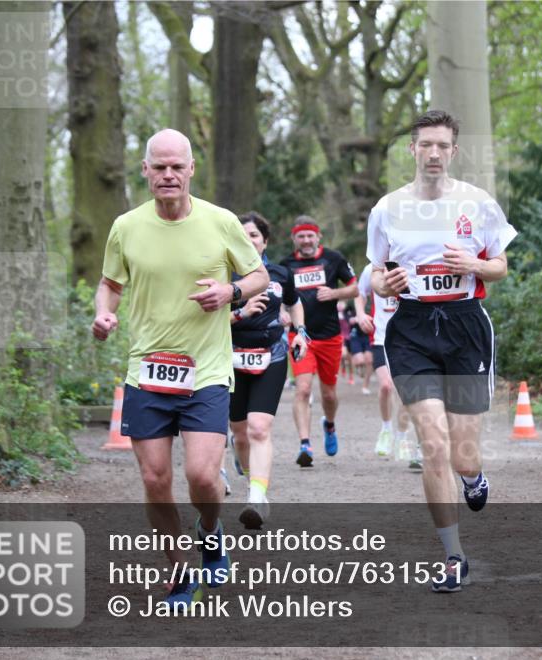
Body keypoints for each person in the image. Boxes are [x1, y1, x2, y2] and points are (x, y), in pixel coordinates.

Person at [91, 128, 268, 611]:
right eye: (159, 167)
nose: (168, 175)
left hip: (207, 369)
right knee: (154, 480)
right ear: (145, 170)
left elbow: (259, 275)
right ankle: (178, 572)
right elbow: (109, 283)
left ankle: (210, 533)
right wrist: (103, 312)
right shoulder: (126, 226)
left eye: (177, 167)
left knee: (203, 477)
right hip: (147, 370)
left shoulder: (221, 221)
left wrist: (230, 292)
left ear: (192, 169)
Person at [366, 110, 517, 593]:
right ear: (412, 150)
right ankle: (454, 557)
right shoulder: (387, 208)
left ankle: (472, 479)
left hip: (465, 326)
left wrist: (475, 263)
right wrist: (383, 282)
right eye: (424, 144)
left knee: (464, 455)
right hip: (410, 327)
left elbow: (501, 266)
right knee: (432, 444)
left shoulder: (478, 203)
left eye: (442, 146)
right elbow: (372, 271)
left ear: (454, 151)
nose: (433, 153)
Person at [228, 212, 308, 529]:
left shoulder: (280, 273)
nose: (248, 241)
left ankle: (257, 498)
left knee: (259, 428)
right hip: (230, 357)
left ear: (265, 241)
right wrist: (241, 312)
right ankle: (249, 474)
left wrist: (300, 331)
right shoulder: (222, 272)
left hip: (271, 355)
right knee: (240, 433)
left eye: (254, 236)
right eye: (242, 236)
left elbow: (295, 302)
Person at [280, 216, 358, 466]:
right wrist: (281, 311)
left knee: (329, 394)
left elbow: (355, 288)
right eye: (301, 236)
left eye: (309, 235)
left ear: (318, 236)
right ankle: (305, 445)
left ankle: (330, 425)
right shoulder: (286, 264)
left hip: (330, 336)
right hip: (300, 336)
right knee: (302, 389)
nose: (305, 240)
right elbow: (278, 296)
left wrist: (335, 293)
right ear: (294, 238)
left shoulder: (333, 259)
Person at [355, 264, 417, 466]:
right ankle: (386, 429)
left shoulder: (410, 263)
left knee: (407, 394)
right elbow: (359, 292)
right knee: (385, 385)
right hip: (381, 338)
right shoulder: (372, 269)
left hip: (408, 339)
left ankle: (402, 436)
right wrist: (361, 314)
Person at [346, 296, 374, 395]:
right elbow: (347, 315)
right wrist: (353, 319)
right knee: (360, 360)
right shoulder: (351, 301)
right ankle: (358, 367)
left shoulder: (372, 298)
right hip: (356, 335)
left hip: (368, 334)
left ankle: (365, 386)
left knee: (369, 360)